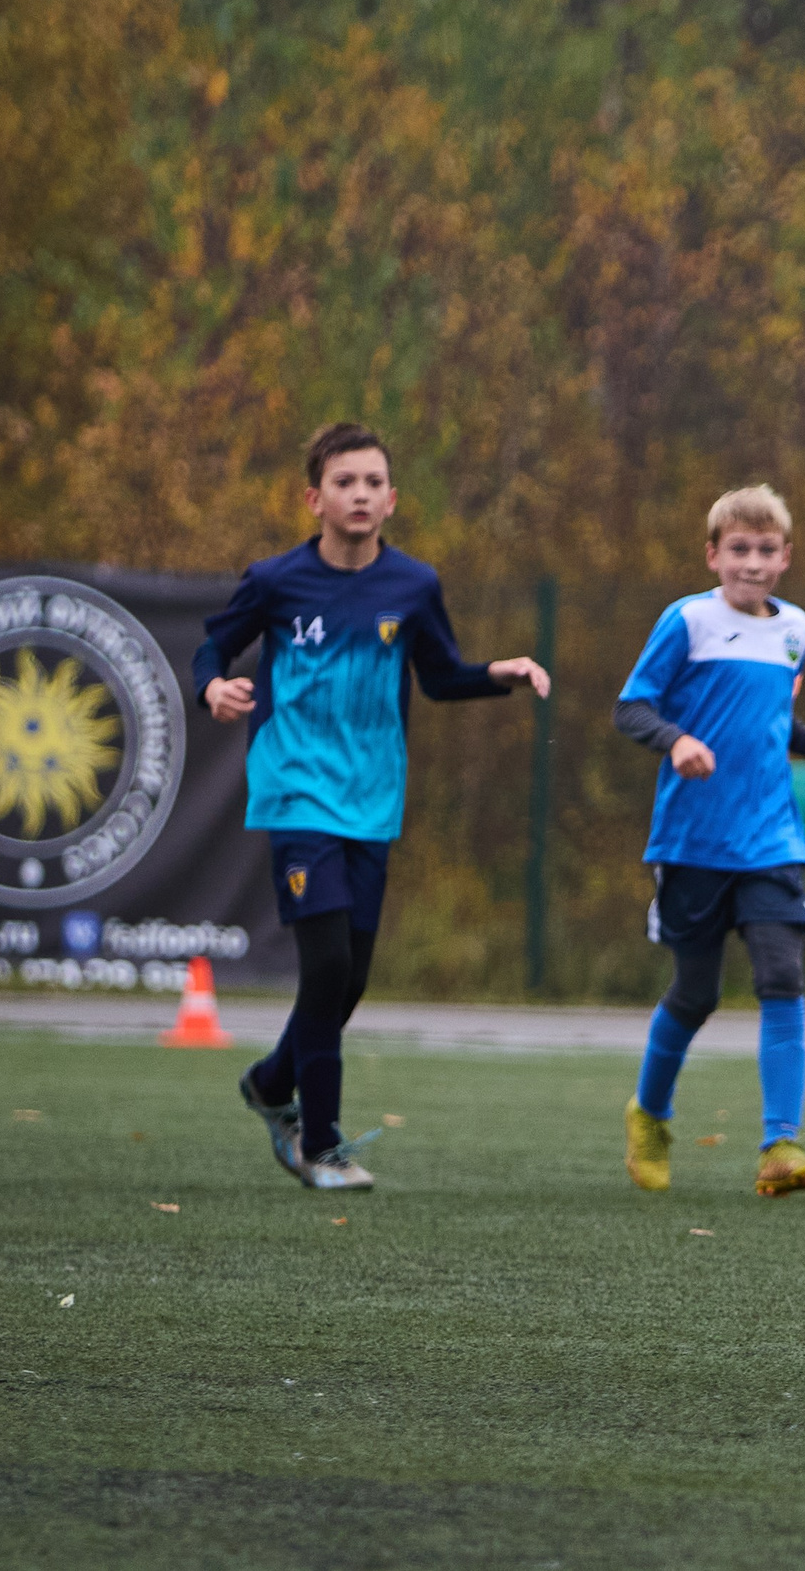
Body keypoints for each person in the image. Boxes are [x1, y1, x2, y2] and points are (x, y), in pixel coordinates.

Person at [195, 421, 550, 1192]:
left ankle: (268, 1083)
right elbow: (212, 646)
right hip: (296, 792)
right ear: (314, 497)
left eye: (372, 482)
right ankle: (318, 1146)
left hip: (372, 801)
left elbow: (440, 675)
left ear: (392, 499)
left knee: (348, 978)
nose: (359, 494)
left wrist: (501, 671)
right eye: (344, 482)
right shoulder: (275, 580)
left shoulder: (413, 586)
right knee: (325, 966)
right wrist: (212, 686)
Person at [615, 486, 805, 1197]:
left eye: (765, 549)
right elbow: (631, 707)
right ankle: (650, 1115)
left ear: (785, 557)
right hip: (693, 841)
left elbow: (770, 718)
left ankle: (780, 1144)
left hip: (772, 840)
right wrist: (678, 740)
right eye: (738, 549)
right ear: (713, 555)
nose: (752, 562)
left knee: (782, 977)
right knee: (695, 994)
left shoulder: (796, 630)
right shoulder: (687, 620)